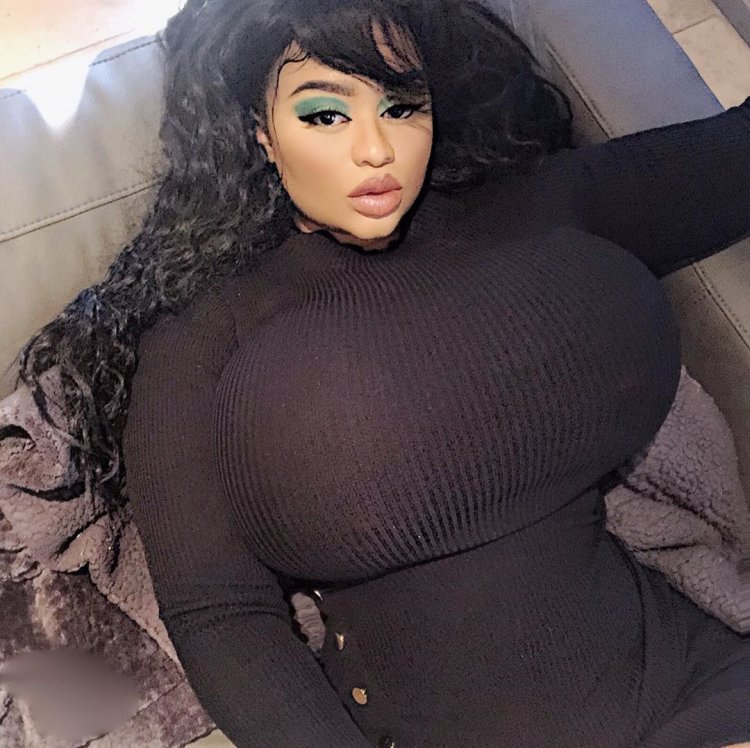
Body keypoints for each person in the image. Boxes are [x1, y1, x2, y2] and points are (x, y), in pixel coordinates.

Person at [15, 0, 750, 745]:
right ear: (259, 128)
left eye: (401, 107)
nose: (377, 150)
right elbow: (221, 616)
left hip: (707, 692)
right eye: (326, 115)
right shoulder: (198, 339)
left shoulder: (532, 205)